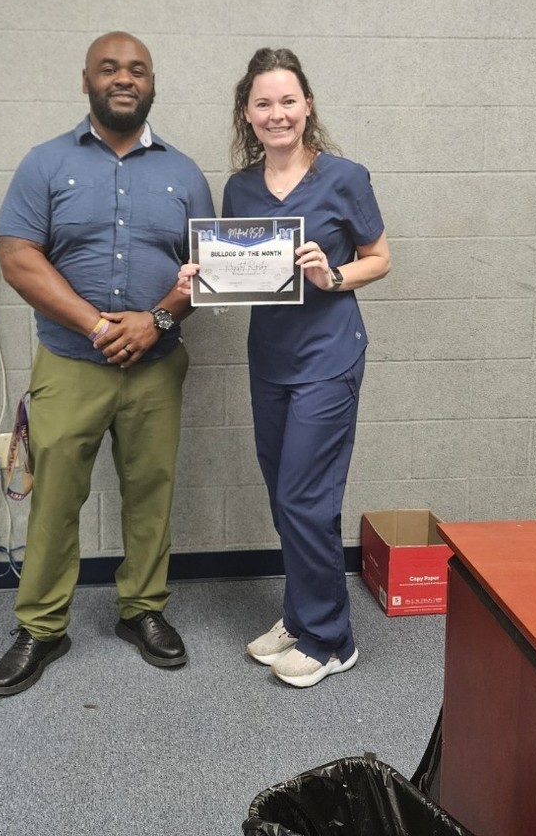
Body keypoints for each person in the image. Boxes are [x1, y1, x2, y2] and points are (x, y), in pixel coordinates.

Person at [0, 31, 215, 696]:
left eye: (137, 70)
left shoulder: (185, 173)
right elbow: (18, 258)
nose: (124, 78)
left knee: (151, 493)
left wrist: (157, 320)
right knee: (55, 498)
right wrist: (95, 324)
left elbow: (210, 271)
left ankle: (142, 609)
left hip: (156, 368)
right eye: (109, 68)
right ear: (85, 80)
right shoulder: (45, 164)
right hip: (69, 365)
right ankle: (41, 625)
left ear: (152, 84)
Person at [178, 48, 390, 688]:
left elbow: (379, 257)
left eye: (288, 101)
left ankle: (331, 640)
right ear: (247, 113)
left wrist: (333, 275)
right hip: (269, 359)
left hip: (328, 356)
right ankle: (300, 616)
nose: (278, 114)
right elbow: (241, 271)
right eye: (264, 103)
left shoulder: (345, 177)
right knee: (284, 495)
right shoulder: (240, 188)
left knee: (306, 496)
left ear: (308, 105)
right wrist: (200, 279)